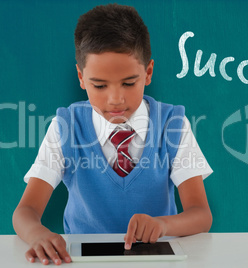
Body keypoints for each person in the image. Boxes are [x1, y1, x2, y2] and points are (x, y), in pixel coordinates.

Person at [13, 3, 213, 265]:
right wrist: (38, 233)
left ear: (148, 73)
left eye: (129, 83)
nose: (115, 99)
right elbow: (25, 211)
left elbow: (201, 214)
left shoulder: (172, 124)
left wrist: (162, 225)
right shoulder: (66, 126)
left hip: (156, 259)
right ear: (81, 78)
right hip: (81, 261)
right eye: (99, 85)